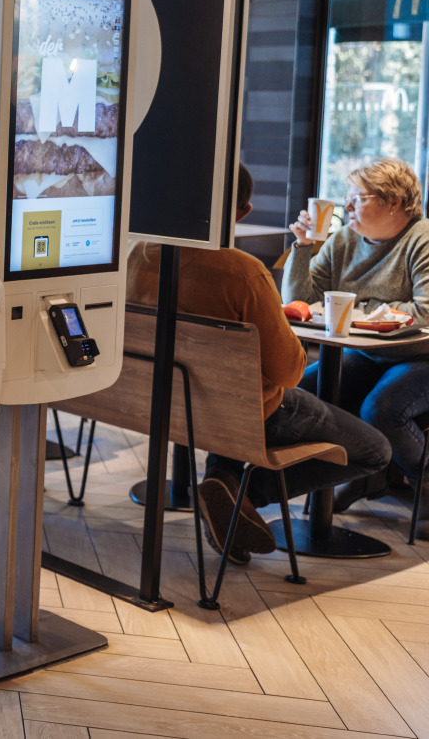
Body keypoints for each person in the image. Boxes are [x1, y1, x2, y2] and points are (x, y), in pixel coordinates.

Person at [128, 164, 390, 563]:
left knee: (241, 400)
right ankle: (244, 496)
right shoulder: (242, 271)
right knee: (376, 451)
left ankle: (226, 486)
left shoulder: (136, 253)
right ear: (243, 211)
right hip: (245, 411)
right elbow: (289, 373)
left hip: (163, 401)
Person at [283, 157, 429, 516]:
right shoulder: (344, 240)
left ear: (394, 202)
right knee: (300, 393)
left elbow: (425, 311)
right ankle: (364, 473)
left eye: (358, 198)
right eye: (347, 198)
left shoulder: (421, 240)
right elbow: (299, 302)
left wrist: (360, 310)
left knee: (382, 410)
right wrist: (302, 247)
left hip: (419, 356)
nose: (347, 207)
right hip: (367, 352)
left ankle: (424, 482)